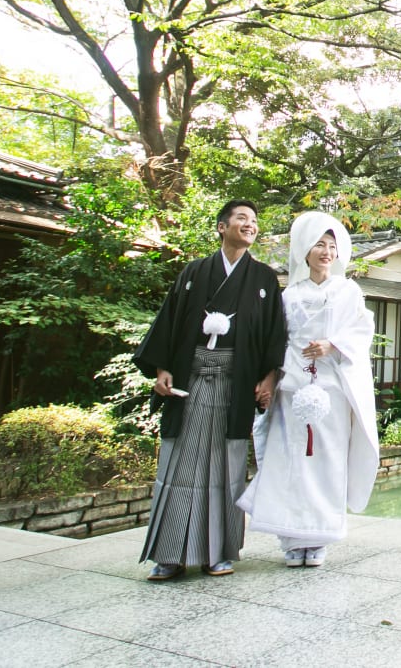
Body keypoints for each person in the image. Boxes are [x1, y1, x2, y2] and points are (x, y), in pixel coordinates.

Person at [133, 200, 286, 580]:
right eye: (241, 219)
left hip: (235, 384)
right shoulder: (194, 272)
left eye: (253, 220)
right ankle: (169, 555)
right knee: (179, 465)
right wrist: (162, 368)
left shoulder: (264, 279)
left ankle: (219, 552)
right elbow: (168, 322)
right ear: (222, 227)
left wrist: (269, 379)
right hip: (190, 380)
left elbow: (274, 335)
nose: (249, 225)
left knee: (227, 467)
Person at [238, 210, 379, 567]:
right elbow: (276, 339)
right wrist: (275, 375)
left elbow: (362, 331)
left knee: (327, 461)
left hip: (332, 388)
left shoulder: (348, 290)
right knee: (290, 461)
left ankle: (319, 539)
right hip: (293, 386)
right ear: (305, 250)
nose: (326, 251)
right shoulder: (289, 295)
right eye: (319, 244)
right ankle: (291, 540)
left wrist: (332, 344)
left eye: (332, 245)